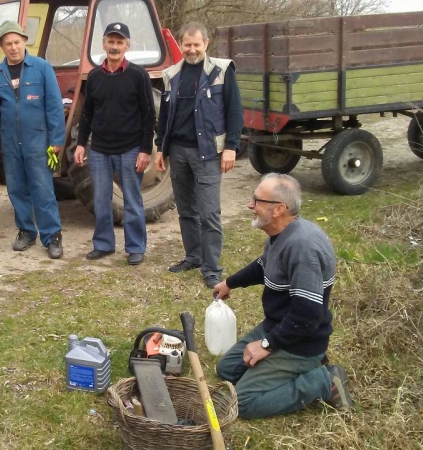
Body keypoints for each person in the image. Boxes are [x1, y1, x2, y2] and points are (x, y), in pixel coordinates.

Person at [212, 174, 353, 419]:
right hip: (279, 326)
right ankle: (288, 370)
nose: (249, 205)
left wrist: (267, 345)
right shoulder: (281, 235)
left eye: (256, 200)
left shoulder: (303, 247)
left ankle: (324, 380)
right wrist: (230, 283)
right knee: (226, 370)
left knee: (242, 403)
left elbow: (308, 315)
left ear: (278, 209)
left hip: (300, 341)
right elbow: (264, 265)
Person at [154, 22, 243, 287]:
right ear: (180, 45)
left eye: (196, 44)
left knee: (209, 213)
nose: (191, 49)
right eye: (187, 45)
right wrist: (161, 148)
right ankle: (193, 256)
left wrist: (231, 147)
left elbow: (234, 111)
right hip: (178, 152)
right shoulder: (172, 75)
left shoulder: (222, 71)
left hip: (207, 153)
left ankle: (212, 268)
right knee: (186, 210)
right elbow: (165, 116)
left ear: (206, 44)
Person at [0, 21, 66, 259]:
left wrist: (57, 139)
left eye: (17, 42)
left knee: (42, 188)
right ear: (1, 46)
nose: (13, 47)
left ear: (24, 41)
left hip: (38, 141)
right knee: (17, 189)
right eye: (8, 43)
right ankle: (26, 232)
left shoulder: (41, 67)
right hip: (10, 143)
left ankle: (52, 236)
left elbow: (54, 107)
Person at [74, 23, 154, 266]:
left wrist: (145, 150)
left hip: (130, 148)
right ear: (103, 44)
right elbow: (87, 113)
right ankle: (104, 244)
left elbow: (148, 115)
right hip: (99, 149)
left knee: (131, 199)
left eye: (120, 42)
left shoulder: (138, 76)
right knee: (100, 199)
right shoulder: (95, 77)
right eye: (111, 41)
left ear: (127, 46)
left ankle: (135, 247)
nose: (115, 46)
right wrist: (80, 144)